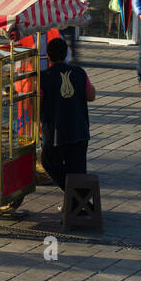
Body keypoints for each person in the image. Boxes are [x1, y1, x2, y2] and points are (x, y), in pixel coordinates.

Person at [39, 36, 95, 191]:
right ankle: (78, 204)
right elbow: (91, 96)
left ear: (48, 56)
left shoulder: (44, 77)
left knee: (48, 161)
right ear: (66, 54)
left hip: (55, 132)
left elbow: (38, 103)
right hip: (79, 129)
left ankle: (76, 198)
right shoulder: (79, 72)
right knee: (77, 170)